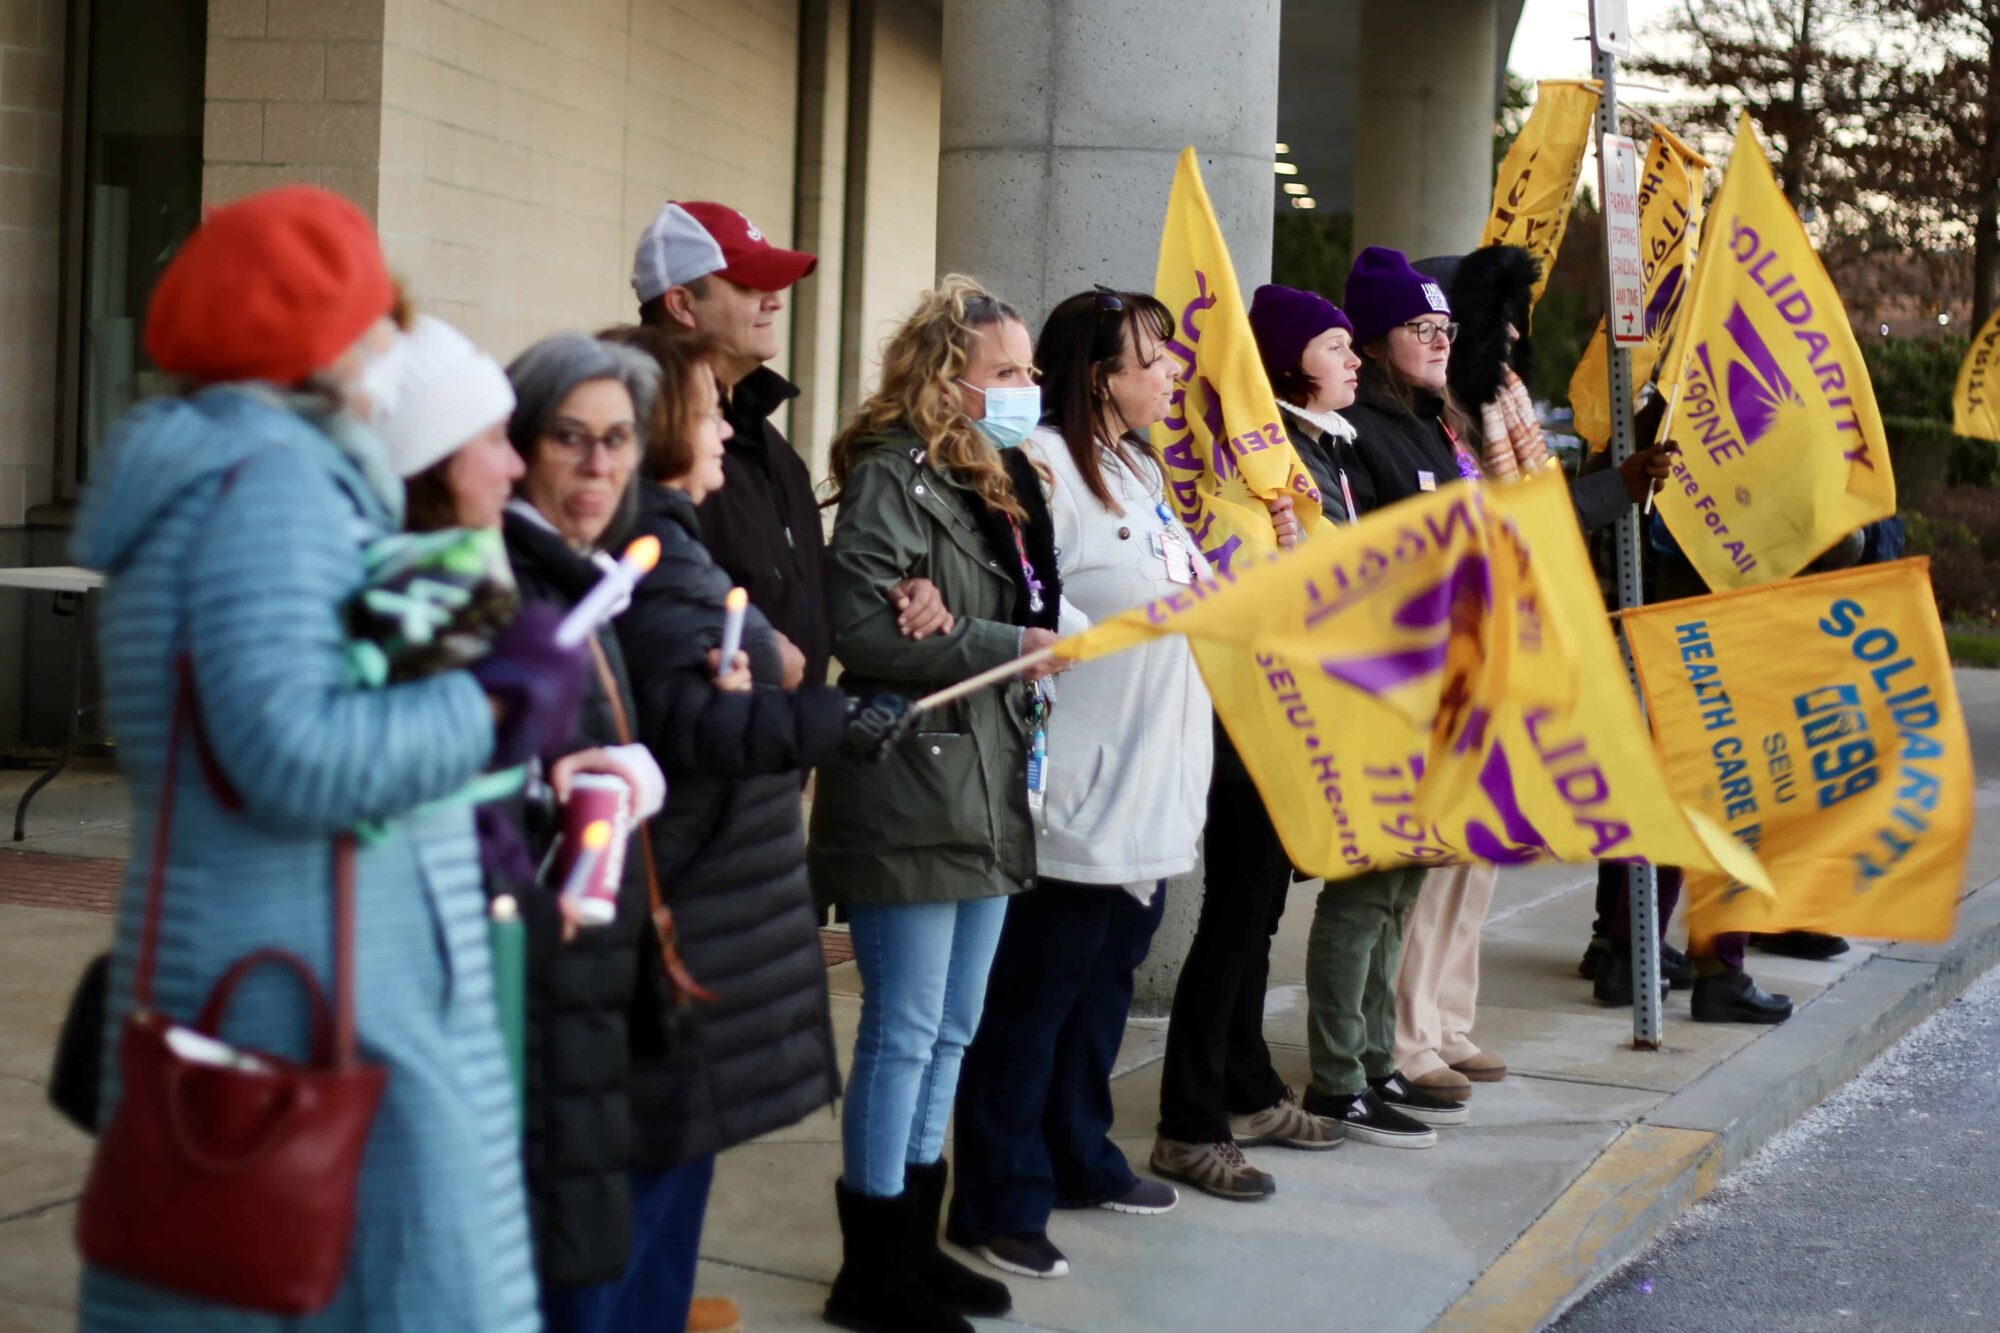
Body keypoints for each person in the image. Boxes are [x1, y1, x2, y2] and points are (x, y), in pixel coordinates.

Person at [70, 186, 555, 1331]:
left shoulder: (216, 474)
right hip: (322, 1005)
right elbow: (287, 750)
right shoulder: (273, 482)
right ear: (320, 335)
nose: (391, 347)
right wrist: (490, 706)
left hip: (283, 979)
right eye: (376, 319)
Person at [597, 322, 913, 1333]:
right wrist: (830, 719)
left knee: (681, 1135)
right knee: (655, 1143)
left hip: (703, 876)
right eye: (702, 414)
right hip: (682, 882)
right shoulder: (657, 555)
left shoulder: (673, 540)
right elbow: (696, 720)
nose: (723, 433)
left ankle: (656, 1303)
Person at [811, 276, 1063, 1333]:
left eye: (1027, 371)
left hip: (982, 782)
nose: (1024, 388)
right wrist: (1003, 642)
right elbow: (863, 628)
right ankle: (871, 1265)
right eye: (1006, 372)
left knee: (952, 1027)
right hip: (914, 785)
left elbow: (964, 612)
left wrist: (973, 623)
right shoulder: (891, 477)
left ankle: (911, 1240)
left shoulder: (986, 479)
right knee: (904, 1030)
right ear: (945, 379)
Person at [945, 287, 1202, 1279]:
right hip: (1076, 798)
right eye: (1153, 357)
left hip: (1148, 790)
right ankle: (997, 1197)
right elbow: (1024, 611)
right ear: (1100, 374)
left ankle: (1078, 1154)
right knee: (1030, 1000)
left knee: (1098, 990)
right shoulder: (1042, 468)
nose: (1170, 372)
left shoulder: (1136, 468)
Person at [497, 333, 700, 1330]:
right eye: (570, 438)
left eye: (617, 439)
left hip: (599, 969)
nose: (596, 465)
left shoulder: (586, 573)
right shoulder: (505, 584)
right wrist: (548, 784)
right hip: (539, 978)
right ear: (519, 444)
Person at [1148, 282, 1361, 1204]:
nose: (1350, 359)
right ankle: (1187, 1122)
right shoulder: (1226, 476)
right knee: (1231, 923)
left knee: (1259, 919)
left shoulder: (1302, 464)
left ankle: (1245, 1085)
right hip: (1243, 730)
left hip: (1291, 722)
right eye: (1333, 345)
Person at [631, 200, 946, 689]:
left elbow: (791, 577)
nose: (775, 301)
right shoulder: (640, 434)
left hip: (771, 748)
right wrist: (749, 646)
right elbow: (636, 600)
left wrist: (894, 590)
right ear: (681, 304)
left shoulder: (766, 440)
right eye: (746, 285)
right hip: (687, 752)